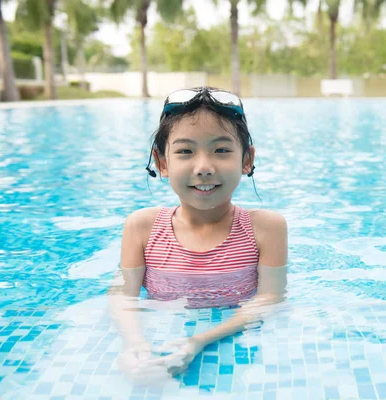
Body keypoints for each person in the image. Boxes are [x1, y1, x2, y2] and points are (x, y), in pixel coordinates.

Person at [108, 87, 288, 381]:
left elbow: (270, 298)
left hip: (235, 340)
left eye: (221, 150)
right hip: (161, 329)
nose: (204, 167)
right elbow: (122, 295)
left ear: (247, 160)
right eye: (185, 151)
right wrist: (136, 345)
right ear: (162, 163)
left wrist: (199, 340)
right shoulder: (142, 227)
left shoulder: (266, 228)